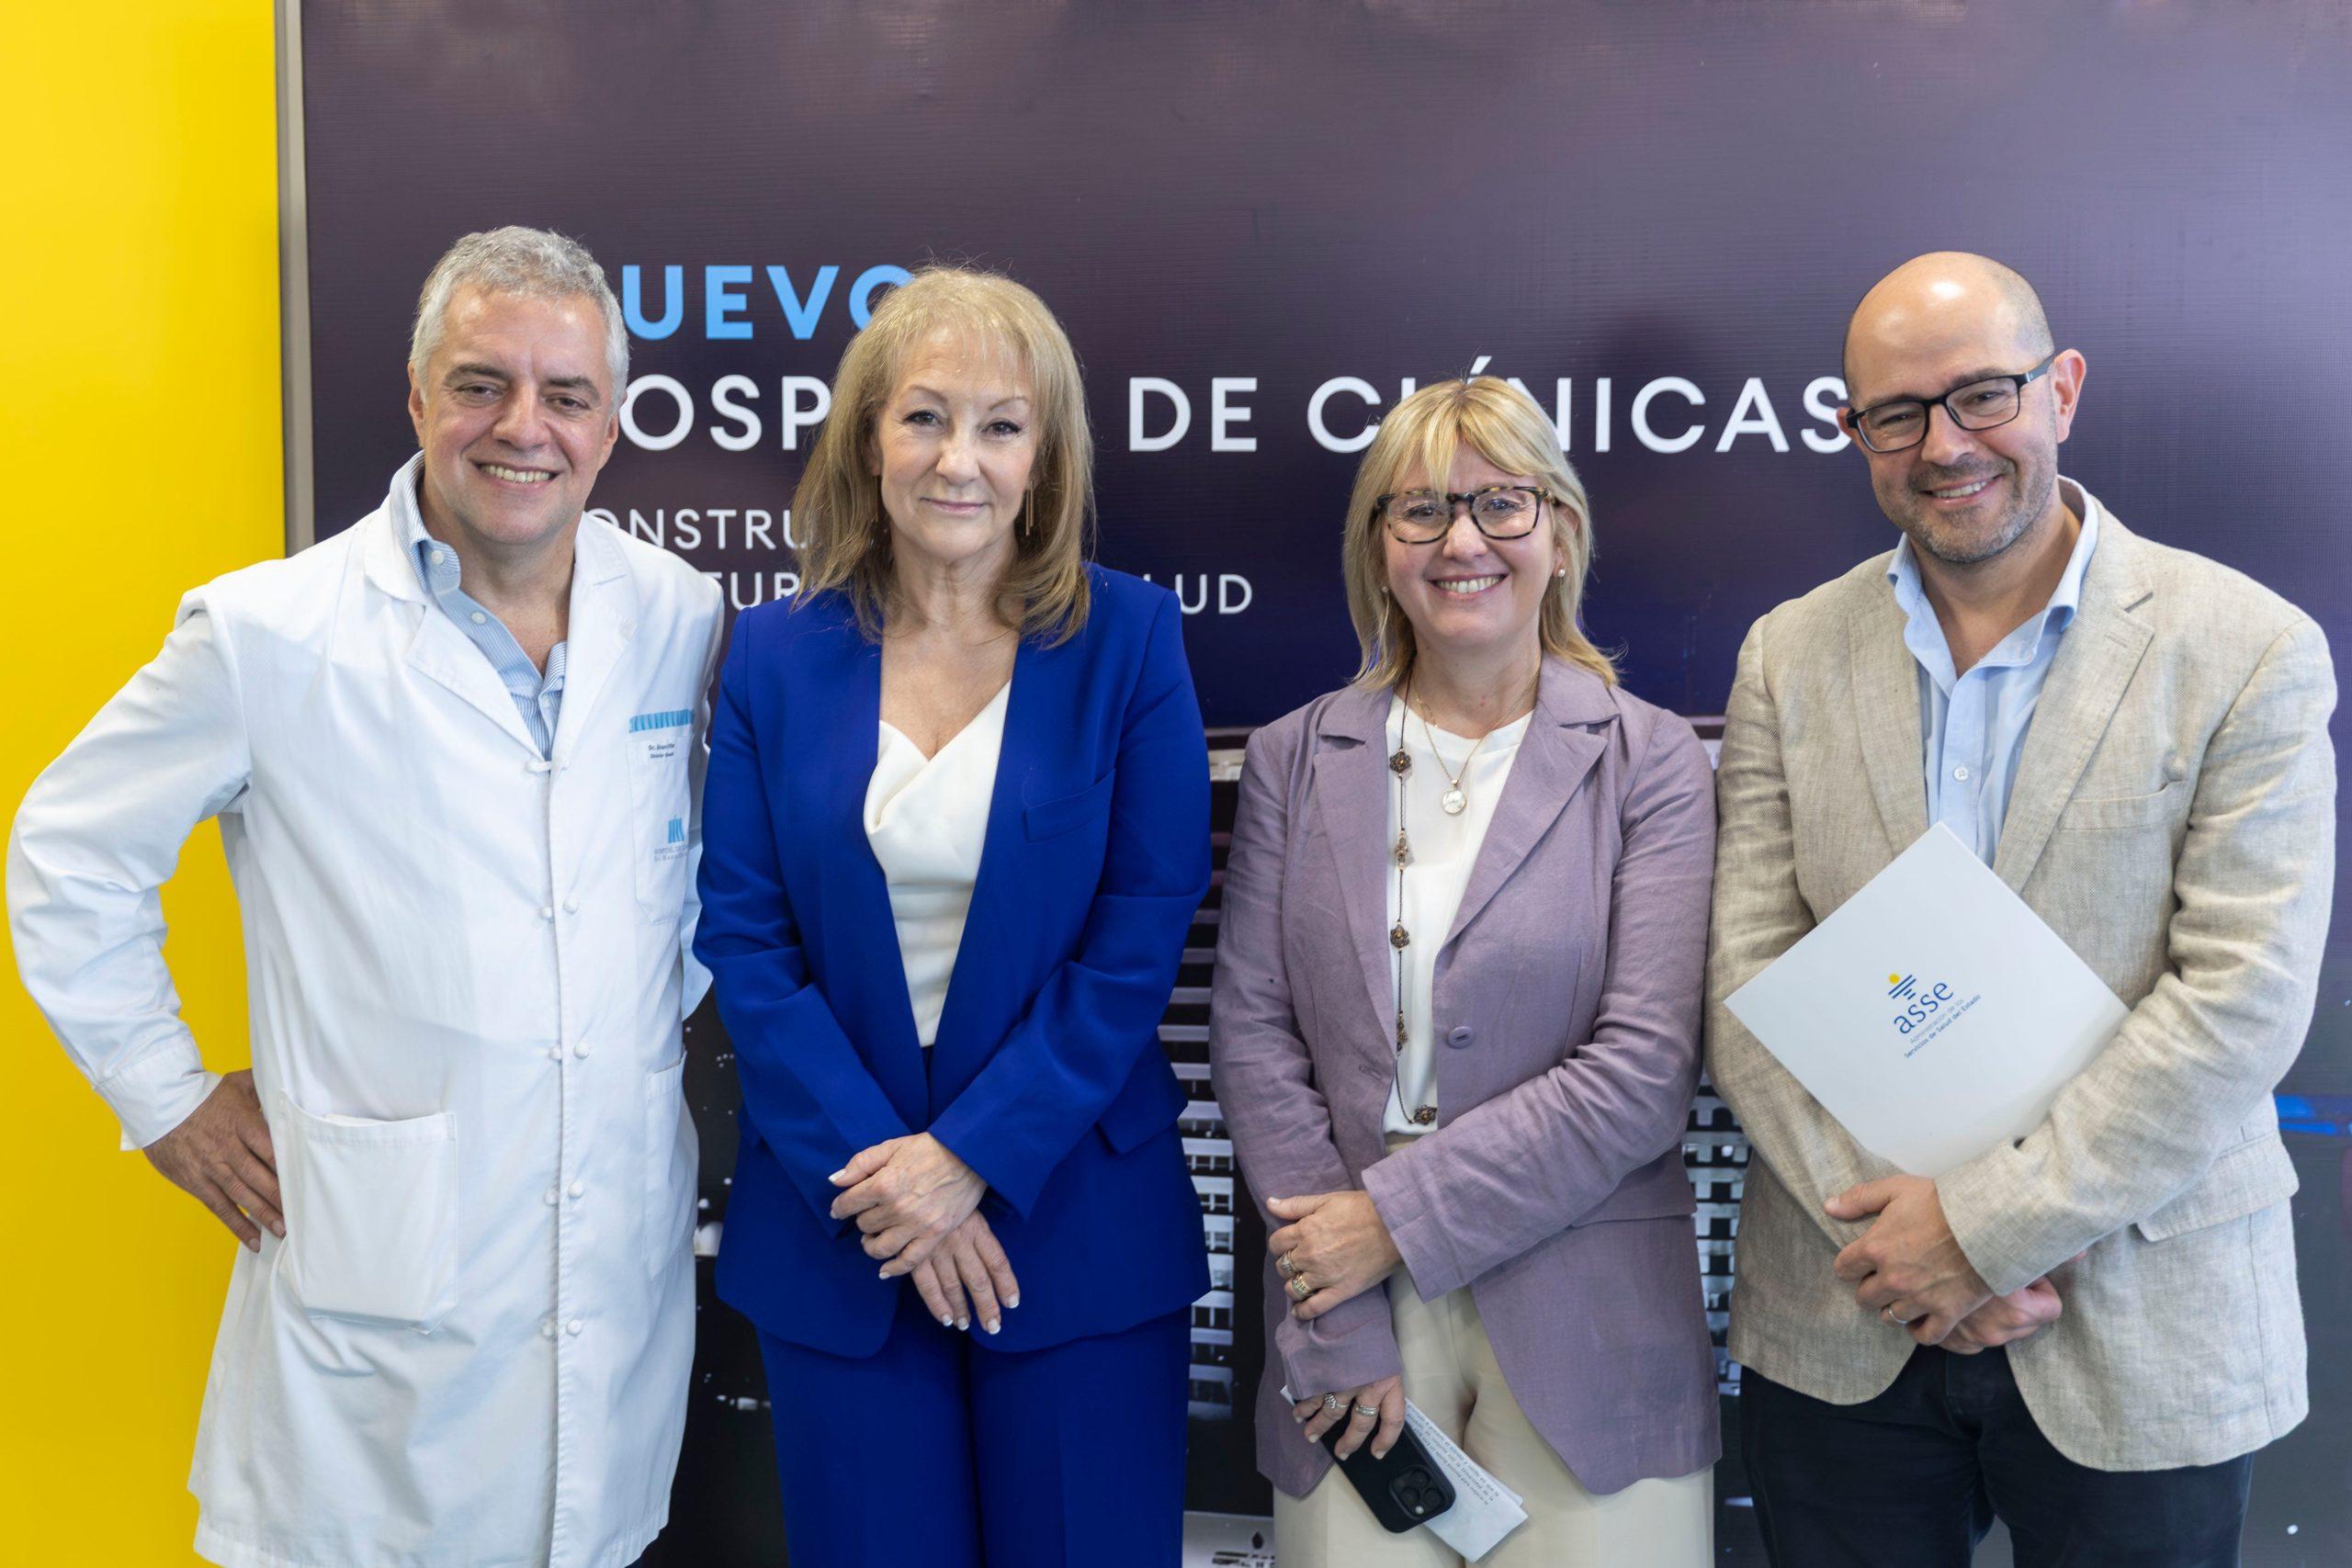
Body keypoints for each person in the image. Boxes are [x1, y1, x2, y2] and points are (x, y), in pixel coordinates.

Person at [7, 227, 723, 1566]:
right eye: (479, 384)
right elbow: (66, 851)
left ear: (613, 424)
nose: (524, 428)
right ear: (414, 399)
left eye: (565, 395)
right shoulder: (272, 633)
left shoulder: (673, 614)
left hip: (609, 1303)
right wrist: (163, 1098)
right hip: (372, 1343)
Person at [1706, 252, 2334, 1567]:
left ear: (2064, 390)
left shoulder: (2247, 646)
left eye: (1981, 395)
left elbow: (2239, 1001)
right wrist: (1903, 1248)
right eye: (1897, 414)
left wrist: (1981, 1235)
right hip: (1846, 1313)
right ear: (1853, 432)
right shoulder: (1787, 653)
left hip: (2139, 1317)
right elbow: (1747, 977)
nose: (1944, 445)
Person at [694, 265, 1211, 1568]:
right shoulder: (771, 653)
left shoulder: (1131, 639)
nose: (958, 460)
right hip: (838, 1231)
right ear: (869, 439)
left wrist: (966, 1157)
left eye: (1000, 424)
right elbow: (747, 943)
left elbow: (1140, 935)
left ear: (1047, 456)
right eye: (924, 417)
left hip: (1076, 1232)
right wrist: (892, 1181)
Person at [1209, 377, 1719, 1567]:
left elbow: (1644, 1070)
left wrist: (1387, 1225)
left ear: (1561, 535)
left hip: (1589, 1316)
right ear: (1378, 551)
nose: (1463, 541)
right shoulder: (1295, 756)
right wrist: (1332, 1306)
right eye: (1421, 511)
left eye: (1501, 503)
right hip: (1350, 1319)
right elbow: (1253, 1035)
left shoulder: (1652, 762)